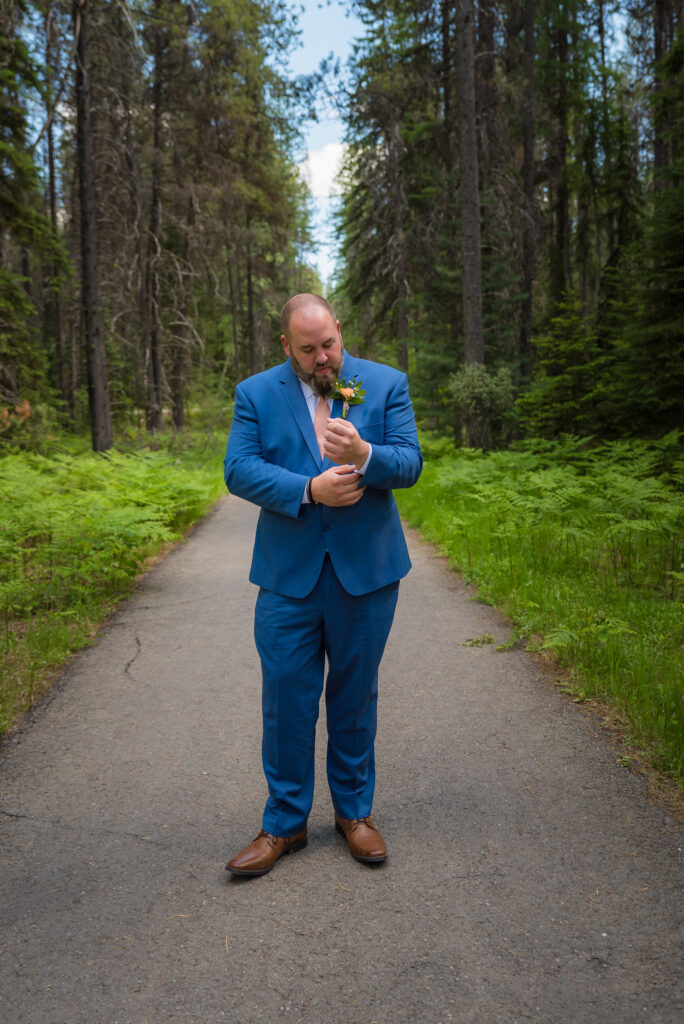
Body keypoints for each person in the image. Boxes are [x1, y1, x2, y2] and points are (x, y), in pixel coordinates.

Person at [223, 293, 422, 876]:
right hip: (289, 576)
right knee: (286, 698)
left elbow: (409, 463)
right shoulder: (256, 394)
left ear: (340, 329)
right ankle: (284, 824)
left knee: (355, 695)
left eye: (328, 344)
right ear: (287, 346)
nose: (322, 359)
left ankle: (354, 814)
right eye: (307, 350)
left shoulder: (385, 384)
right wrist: (309, 490)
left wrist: (367, 453)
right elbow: (239, 469)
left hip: (368, 572)